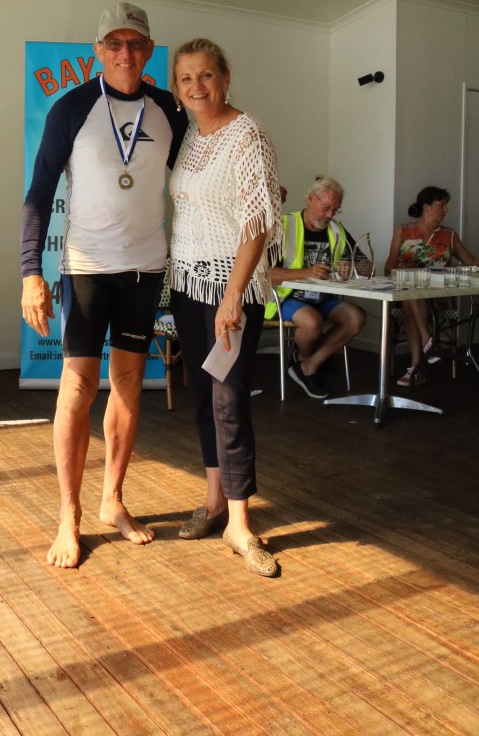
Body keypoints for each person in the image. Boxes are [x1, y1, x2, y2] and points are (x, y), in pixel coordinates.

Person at [21, 1, 187, 568]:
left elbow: (198, 169)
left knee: (130, 383)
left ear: (149, 50)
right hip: (87, 267)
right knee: (78, 386)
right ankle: (67, 516)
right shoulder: (71, 108)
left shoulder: (169, 109)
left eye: (135, 43)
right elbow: (39, 193)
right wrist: (30, 274)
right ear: (97, 50)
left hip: (145, 267)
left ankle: (112, 499)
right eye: (114, 43)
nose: (125, 53)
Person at [169, 38, 283, 577]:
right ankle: (214, 500)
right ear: (177, 88)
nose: (197, 86)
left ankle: (240, 522)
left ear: (226, 78)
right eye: (186, 78)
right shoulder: (190, 133)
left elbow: (258, 222)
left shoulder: (248, 135)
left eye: (207, 75)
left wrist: (234, 294)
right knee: (202, 394)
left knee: (229, 398)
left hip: (228, 287)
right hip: (187, 282)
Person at [267, 177, 367, 399]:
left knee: (356, 317)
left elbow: (364, 264)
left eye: (336, 210)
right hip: (285, 298)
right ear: (311, 199)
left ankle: (309, 364)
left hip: (323, 298)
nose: (331, 215)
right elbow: (265, 273)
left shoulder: (337, 230)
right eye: (326, 208)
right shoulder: (284, 225)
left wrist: (351, 266)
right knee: (313, 322)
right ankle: (305, 360)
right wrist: (306, 272)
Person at [384, 186, 478, 387]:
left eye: (446, 205)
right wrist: (403, 274)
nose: (446, 210)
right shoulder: (403, 232)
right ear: (426, 207)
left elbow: (470, 261)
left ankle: (416, 366)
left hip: (438, 295)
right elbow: (389, 267)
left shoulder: (449, 235)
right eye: (441, 205)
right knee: (411, 294)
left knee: (410, 299)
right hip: (407, 292)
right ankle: (428, 342)